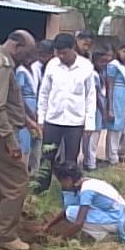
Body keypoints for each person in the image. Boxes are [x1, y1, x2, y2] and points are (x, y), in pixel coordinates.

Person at [0, 30, 36, 250]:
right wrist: (11, 141)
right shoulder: (1, 66)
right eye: (27, 53)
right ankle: (5, 235)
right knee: (17, 182)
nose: (28, 59)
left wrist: (26, 121)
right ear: (16, 45)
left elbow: (9, 101)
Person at [35, 33, 96, 193]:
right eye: (58, 53)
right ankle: (41, 189)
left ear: (73, 48)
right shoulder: (52, 65)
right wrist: (41, 118)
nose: (61, 56)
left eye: (64, 53)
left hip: (75, 122)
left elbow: (90, 96)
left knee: (71, 160)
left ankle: (69, 192)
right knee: (47, 156)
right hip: (53, 120)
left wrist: (89, 122)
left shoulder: (86, 67)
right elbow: (44, 93)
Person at [45, 163, 125, 246]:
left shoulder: (87, 190)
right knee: (71, 211)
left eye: (62, 182)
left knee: (71, 213)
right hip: (118, 216)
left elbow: (78, 223)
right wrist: (48, 226)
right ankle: (103, 232)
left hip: (116, 220)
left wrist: (61, 239)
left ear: (68, 179)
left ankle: (104, 235)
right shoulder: (88, 182)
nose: (62, 185)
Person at [82, 46, 112, 171]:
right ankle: (90, 163)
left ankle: (89, 160)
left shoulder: (101, 73)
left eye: (106, 62)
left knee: (93, 137)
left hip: (98, 108)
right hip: (95, 109)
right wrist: (104, 111)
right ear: (94, 61)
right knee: (92, 137)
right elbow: (97, 95)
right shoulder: (93, 74)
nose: (104, 64)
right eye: (101, 61)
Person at [105, 42, 125, 165]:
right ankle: (112, 156)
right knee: (114, 127)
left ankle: (113, 154)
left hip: (124, 97)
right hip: (116, 95)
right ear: (119, 51)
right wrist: (110, 107)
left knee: (120, 126)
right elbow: (110, 85)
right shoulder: (113, 65)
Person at [29, 39, 54, 174]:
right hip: (36, 105)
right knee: (35, 137)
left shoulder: (54, 66)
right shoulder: (35, 67)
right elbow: (36, 90)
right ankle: (34, 167)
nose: (44, 58)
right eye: (41, 55)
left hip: (50, 107)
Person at [15, 57, 40, 171]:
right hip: (25, 106)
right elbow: (18, 93)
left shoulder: (34, 69)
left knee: (35, 138)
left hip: (34, 105)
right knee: (24, 140)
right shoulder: (21, 71)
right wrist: (29, 112)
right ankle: (22, 168)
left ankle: (33, 168)